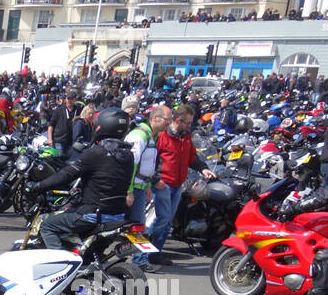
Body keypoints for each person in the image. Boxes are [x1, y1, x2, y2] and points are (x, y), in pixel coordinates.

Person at [28, 109, 136, 252]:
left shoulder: (96, 152)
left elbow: (66, 175)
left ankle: (60, 265)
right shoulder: (128, 155)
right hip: (118, 215)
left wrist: (38, 186)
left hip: (93, 214)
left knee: (47, 225)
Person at [147, 104, 217, 265]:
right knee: (161, 220)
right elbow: (151, 159)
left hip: (178, 185)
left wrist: (203, 168)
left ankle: (155, 254)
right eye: (187, 122)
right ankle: (143, 253)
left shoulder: (186, 137)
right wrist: (156, 179)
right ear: (177, 121)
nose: (189, 125)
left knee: (167, 222)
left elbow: (191, 157)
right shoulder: (162, 136)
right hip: (163, 184)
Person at [125, 104, 170, 269]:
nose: (169, 123)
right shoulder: (140, 135)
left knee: (137, 226)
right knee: (136, 226)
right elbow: (131, 164)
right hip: (133, 189)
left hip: (140, 187)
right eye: (167, 119)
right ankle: (139, 262)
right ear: (155, 118)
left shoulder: (151, 135)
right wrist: (129, 191)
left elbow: (147, 165)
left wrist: (148, 186)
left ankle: (139, 261)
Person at [48, 89, 79, 159]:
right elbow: (51, 125)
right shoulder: (59, 110)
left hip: (71, 142)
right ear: (66, 99)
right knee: (59, 160)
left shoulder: (78, 110)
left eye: (72, 99)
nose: (69, 101)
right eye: (68, 98)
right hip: (59, 141)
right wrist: (50, 139)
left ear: (75, 100)